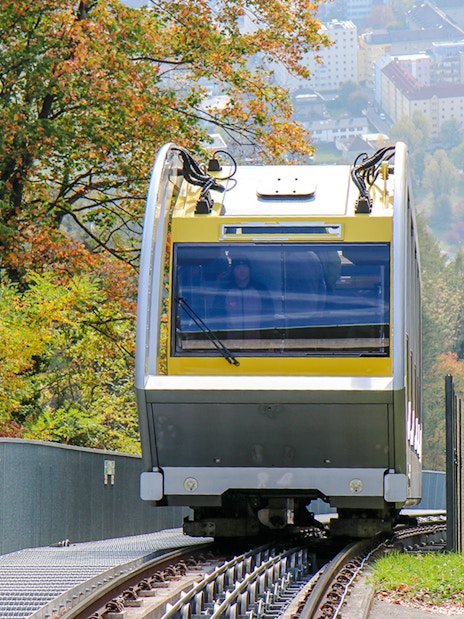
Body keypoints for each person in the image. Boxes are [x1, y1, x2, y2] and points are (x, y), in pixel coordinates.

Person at [214, 257, 273, 337]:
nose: (242, 270)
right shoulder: (224, 292)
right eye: (238, 267)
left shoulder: (260, 290)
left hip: (256, 344)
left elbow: (269, 317)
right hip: (230, 345)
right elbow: (217, 318)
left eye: (245, 267)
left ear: (250, 269)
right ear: (233, 270)